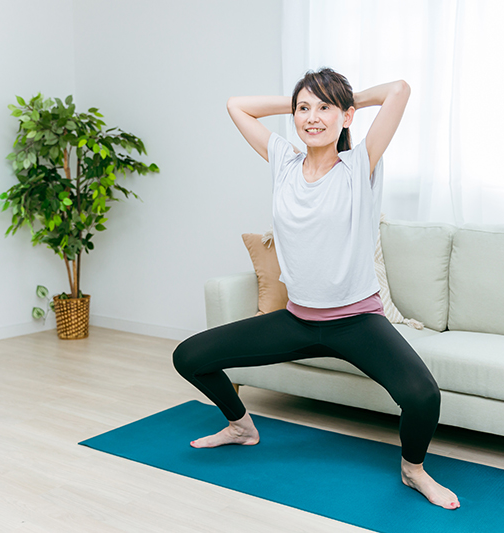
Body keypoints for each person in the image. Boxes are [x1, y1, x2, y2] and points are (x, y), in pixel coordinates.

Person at [173, 68, 460, 510]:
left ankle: (413, 469)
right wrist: (304, 104)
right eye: (303, 108)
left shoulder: (357, 165)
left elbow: (399, 90)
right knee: (188, 357)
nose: (312, 116)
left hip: (356, 321)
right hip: (298, 319)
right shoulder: (283, 162)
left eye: (323, 108)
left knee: (423, 396)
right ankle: (241, 426)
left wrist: (348, 101)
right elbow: (237, 105)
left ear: (345, 118)